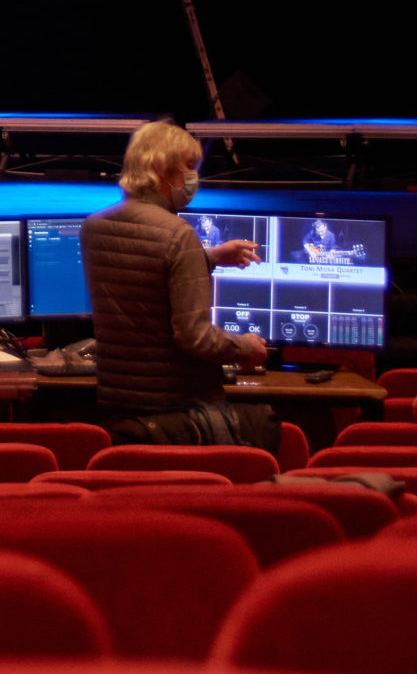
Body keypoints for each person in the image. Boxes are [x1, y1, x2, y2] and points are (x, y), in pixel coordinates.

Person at [83, 118, 276, 449]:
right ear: (162, 168)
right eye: (189, 166)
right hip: (178, 408)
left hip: (120, 406)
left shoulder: (94, 227)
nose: (194, 177)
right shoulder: (178, 234)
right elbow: (195, 338)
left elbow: (144, 275)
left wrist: (209, 257)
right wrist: (246, 347)